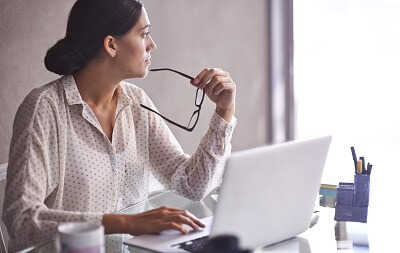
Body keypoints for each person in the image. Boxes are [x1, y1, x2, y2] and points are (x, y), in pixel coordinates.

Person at [2, 0, 237, 251]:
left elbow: (192, 184)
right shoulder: (45, 108)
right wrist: (127, 222)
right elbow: (21, 218)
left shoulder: (135, 102)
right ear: (111, 45)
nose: (152, 44)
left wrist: (224, 111)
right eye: (144, 34)